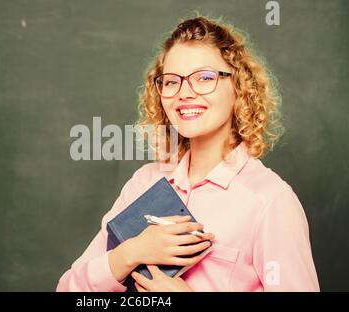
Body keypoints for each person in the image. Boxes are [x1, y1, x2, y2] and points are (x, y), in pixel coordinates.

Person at [56, 16, 319, 292]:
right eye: (171, 82)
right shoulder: (145, 183)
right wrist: (130, 253)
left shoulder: (270, 201)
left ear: (239, 87)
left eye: (205, 78)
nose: (184, 93)